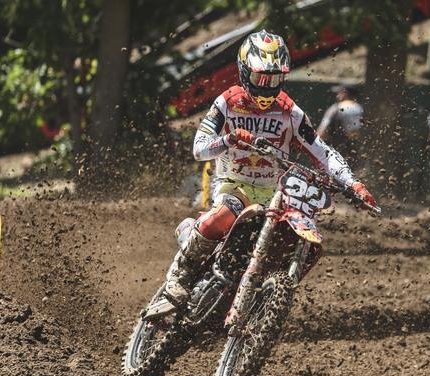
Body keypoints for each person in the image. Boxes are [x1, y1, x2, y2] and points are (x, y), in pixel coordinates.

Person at [150, 30, 377, 318]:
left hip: (275, 192)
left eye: (275, 79)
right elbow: (199, 148)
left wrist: (353, 183)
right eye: (261, 78)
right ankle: (178, 278)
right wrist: (229, 139)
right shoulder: (227, 102)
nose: (268, 87)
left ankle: (260, 297)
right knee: (227, 212)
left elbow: (323, 151)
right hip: (234, 183)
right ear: (245, 72)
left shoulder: (291, 112)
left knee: (299, 239)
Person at [317, 84, 364, 168]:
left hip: (336, 154)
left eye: (340, 92)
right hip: (355, 152)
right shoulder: (360, 109)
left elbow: (322, 132)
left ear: (345, 93)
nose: (337, 95)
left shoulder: (336, 108)